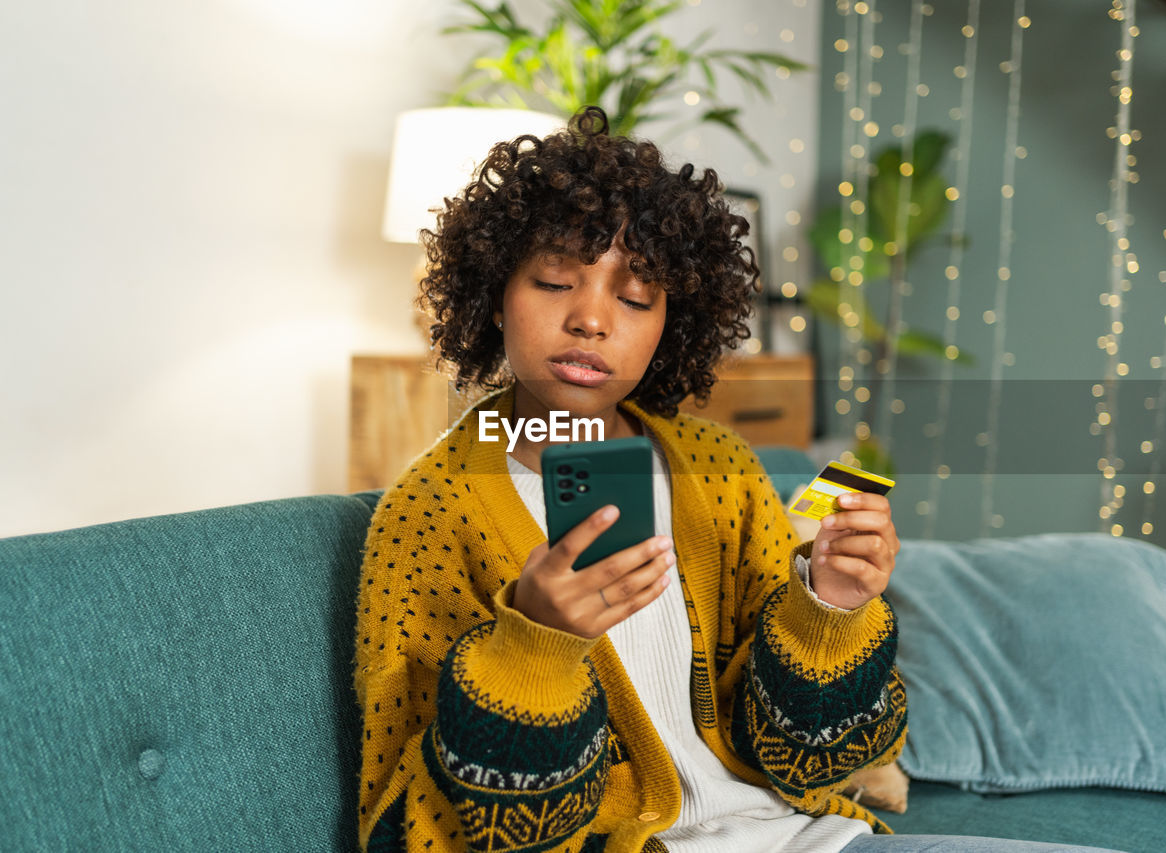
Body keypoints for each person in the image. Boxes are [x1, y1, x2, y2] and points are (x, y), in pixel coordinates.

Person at [353, 107, 1117, 853]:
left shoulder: (719, 469)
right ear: (492, 293)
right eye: (555, 282)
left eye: (635, 296)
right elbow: (426, 827)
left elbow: (812, 759)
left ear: (670, 321)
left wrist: (829, 611)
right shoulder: (429, 512)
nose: (592, 319)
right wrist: (536, 647)